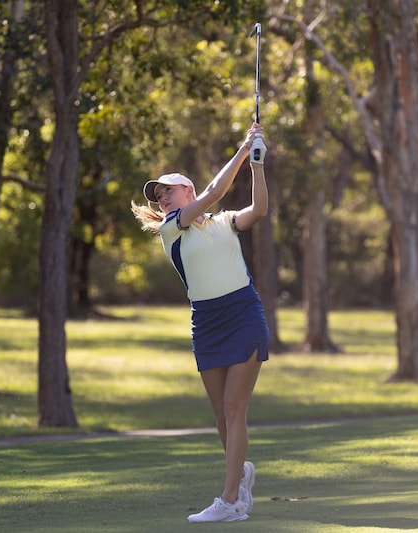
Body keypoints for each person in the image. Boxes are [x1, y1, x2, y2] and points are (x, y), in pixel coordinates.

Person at [131, 123, 270, 523]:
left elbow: (259, 211)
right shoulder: (171, 230)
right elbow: (215, 192)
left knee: (232, 407)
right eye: (158, 197)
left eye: (167, 191)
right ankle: (240, 473)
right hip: (207, 323)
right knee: (219, 413)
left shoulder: (225, 222)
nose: (161, 199)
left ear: (186, 191)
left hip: (243, 314)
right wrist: (244, 148)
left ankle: (231, 501)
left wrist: (257, 165)